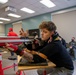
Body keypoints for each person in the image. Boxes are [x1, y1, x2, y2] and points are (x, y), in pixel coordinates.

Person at [6, 21, 74, 75]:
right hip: (56, 64)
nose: (42, 33)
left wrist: (17, 50)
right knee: (40, 71)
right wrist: (25, 38)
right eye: (42, 31)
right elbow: (36, 48)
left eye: (45, 32)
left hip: (65, 68)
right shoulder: (50, 39)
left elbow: (36, 59)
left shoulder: (55, 44)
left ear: (52, 32)